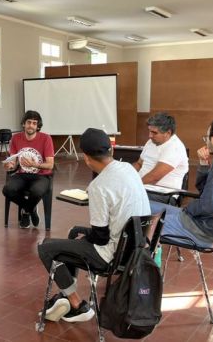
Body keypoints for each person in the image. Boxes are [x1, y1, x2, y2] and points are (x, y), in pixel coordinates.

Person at [38, 128, 150, 323]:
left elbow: (100, 237)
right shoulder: (129, 169)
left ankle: (77, 304)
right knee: (75, 234)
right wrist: (83, 233)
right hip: (137, 250)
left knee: (46, 248)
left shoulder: (99, 187)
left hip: (111, 256)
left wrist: (86, 235)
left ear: (86, 158)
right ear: (111, 151)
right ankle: (66, 293)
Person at [152, 115, 213, 247]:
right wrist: (204, 164)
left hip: (200, 229)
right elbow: (206, 192)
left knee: (140, 223)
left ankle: (140, 265)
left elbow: (208, 205)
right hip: (209, 225)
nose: (206, 142)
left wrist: (188, 209)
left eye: (207, 137)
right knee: (149, 207)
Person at [2, 110, 54, 228]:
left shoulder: (46, 138)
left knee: (36, 192)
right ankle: (31, 209)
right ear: (23, 124)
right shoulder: (16, 138)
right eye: (29, 122)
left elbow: (50, 165)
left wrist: (34, 165)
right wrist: (9, 166)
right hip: (22, 174)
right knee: (7, 190)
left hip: (41, 176)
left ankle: (25, 212)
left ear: (38, 126)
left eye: (34, 123)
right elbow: (14, 163)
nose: (31, 125)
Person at [132, 112, 189, 203]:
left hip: (161, 194)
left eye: (154, 132)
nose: (150, 135)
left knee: (124, 197)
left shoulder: (175, 147)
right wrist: (125, 174)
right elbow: (139, 164)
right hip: (144, 188)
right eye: (149, 131)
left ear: (168, 133)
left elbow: (154, 177)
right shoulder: (151, 142)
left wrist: (131, 185)